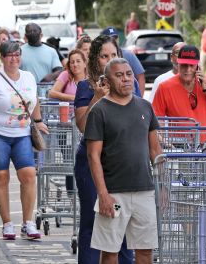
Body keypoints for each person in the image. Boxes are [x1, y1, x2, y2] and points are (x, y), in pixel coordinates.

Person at [86, 58, 161, 264]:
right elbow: (93, 156)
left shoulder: (145, 107)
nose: (126, 79)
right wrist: (103, 194)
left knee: (145, 250)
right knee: (110, 252)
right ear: (108, 81)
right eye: (119, 75)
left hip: (144, 191)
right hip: (113, 193)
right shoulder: (99, 110)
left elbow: (155, 151)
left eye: (128, 74)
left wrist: (162, 187)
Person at [74, 34, 140, 264]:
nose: (110, 60)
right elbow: (82, 125)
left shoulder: (131, 85)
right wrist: (97, 98)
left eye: (114, 55)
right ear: (95, 60)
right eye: (104, 56)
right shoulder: (86, 86)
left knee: (121, 222)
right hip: (92, 163)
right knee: (93, 222)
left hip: (122, 165)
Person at [0, 41, 48, 240]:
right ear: (2, 57)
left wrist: (39, 121)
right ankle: (7, 224)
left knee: (28, 175)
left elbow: (34, 101)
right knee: (1, 177)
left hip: (22, 134)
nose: (14, 59)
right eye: (9, 55)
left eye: (17, 55)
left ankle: (28, 223)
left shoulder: (28, 77)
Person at [152, 45, 206, 128]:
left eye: (192, 65)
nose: (188, 70)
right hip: (176, 140)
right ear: (178, 65)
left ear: (198, 66)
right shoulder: (164, 87)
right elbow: (157, 119)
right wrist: (162, 138)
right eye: (184, 65)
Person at [100, 27, 146, 96]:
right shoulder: (100, 57)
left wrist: (140, 98)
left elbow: (141, 76)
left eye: (115, 38)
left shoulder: (128, 54)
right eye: (110, 39)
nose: (114, 40)